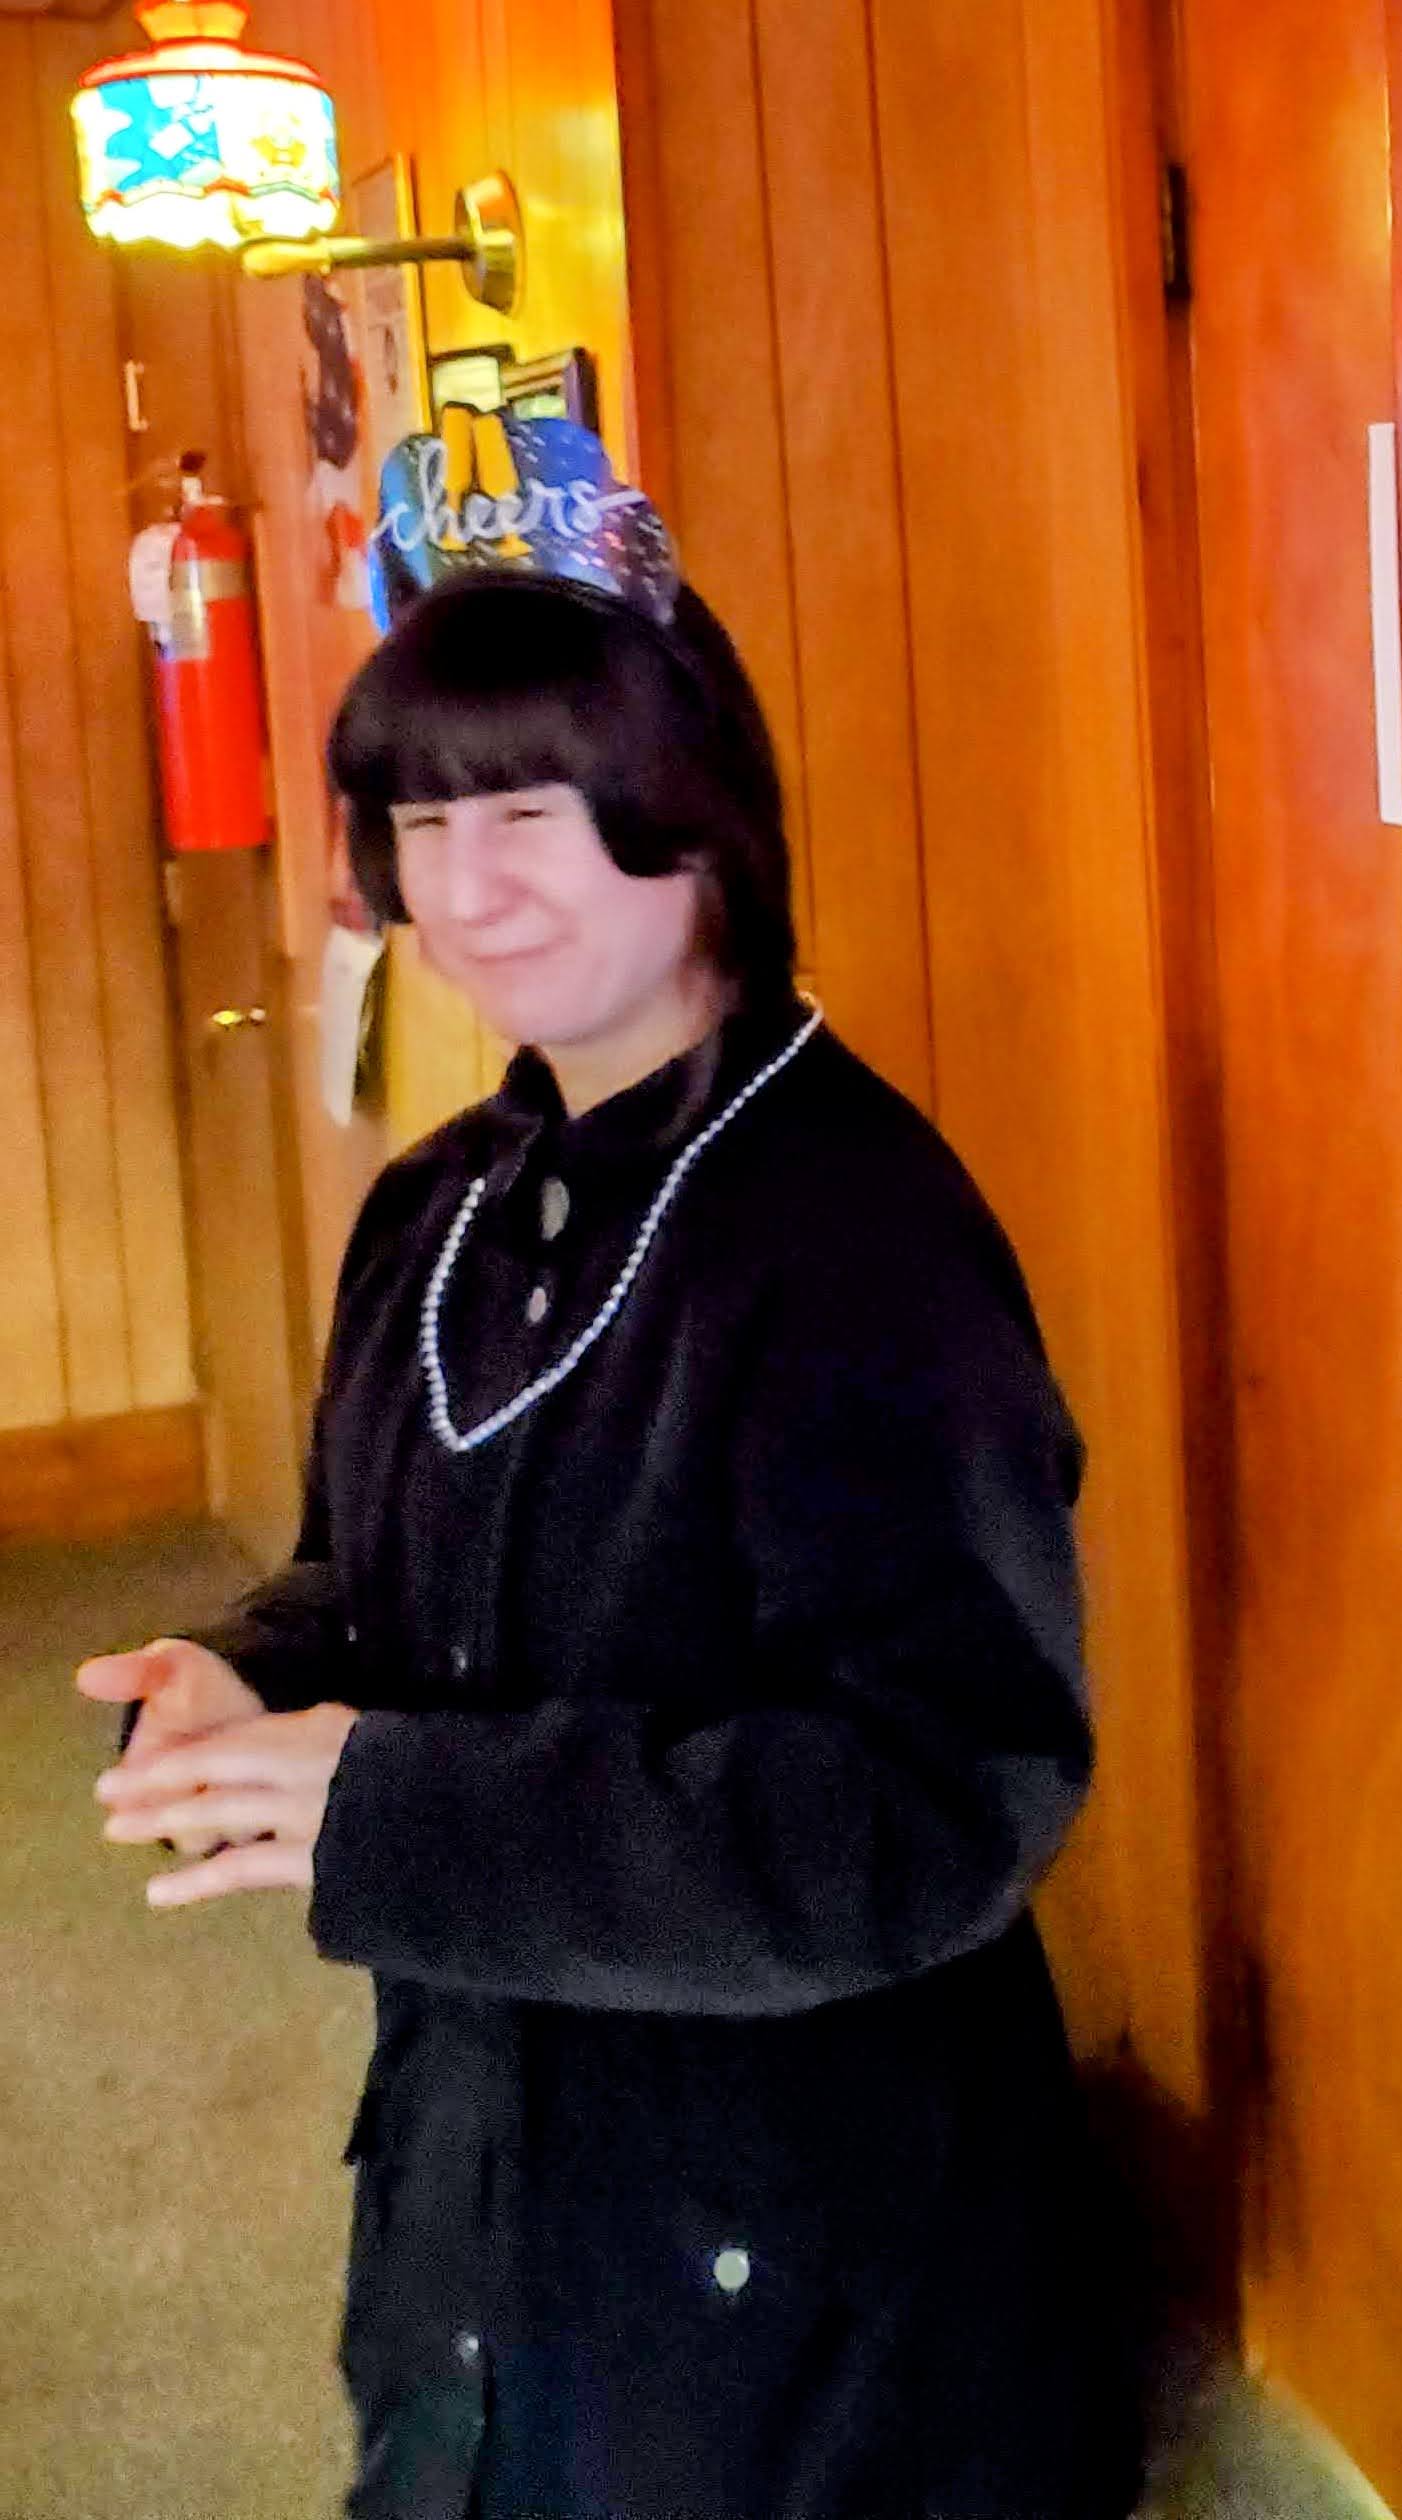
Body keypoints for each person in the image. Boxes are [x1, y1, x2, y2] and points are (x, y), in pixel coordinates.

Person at [82, 416, 1135, 2520]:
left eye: (536, 809)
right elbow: (378, 1588)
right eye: (414, 818)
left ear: (694, 813)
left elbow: (941, 1794)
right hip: (481, 2152)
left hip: (808, 2245)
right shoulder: (442, 1204)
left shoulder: (863, 1236)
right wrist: (262, 1680)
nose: (467, 886)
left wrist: (399, 1804)